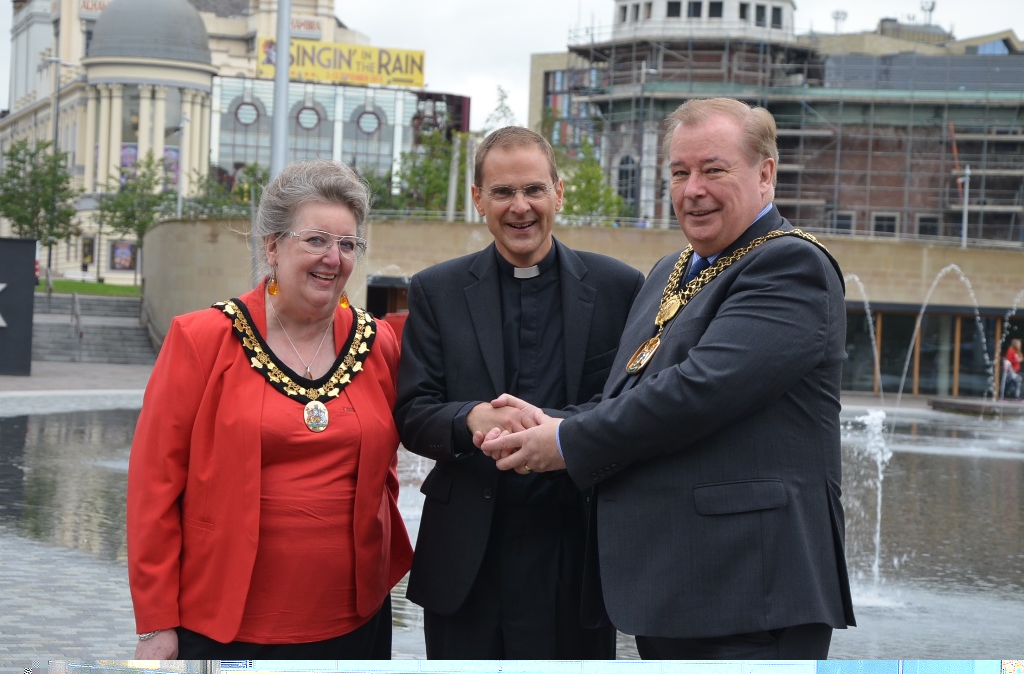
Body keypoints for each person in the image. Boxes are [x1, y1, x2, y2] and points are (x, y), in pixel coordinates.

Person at [479, 98, 856, 659]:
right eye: (679, 173)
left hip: (753, 591)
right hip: (677, 583)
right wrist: (549, 422)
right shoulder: (669, 270)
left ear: (766, 173)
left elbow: (696, 393)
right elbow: (632, 394)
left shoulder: (790, 266)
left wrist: (562, 442)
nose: (692, 189)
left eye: (713, 169)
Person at [127, 159, 413, 658]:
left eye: (348, 244)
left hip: (356, 624)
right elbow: (153, 489)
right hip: (222, 627)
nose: (333, 258)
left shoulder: (378, 343)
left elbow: (384, 470)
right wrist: (155, 625)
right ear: (273, 246)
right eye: (317, 240)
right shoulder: (201, 339)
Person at [394, 126, 645, 659]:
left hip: (574, 555)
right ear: (478, 200)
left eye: (533, 189)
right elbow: (412, 412)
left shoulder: (620, 289)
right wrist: (470, 419)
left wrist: (560, 434)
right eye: (503, 192)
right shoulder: (435, 290)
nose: (520, 207)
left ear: (558, 192)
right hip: (467, 558)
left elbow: (632, 406)